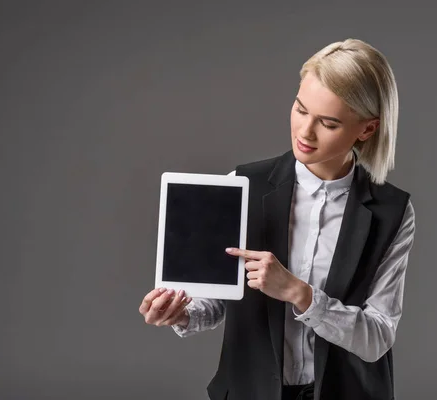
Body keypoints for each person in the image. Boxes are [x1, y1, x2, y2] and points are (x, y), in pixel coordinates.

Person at [139, 38, 416, 400]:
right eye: (300, 109)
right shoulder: (242, 184)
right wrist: (180, 313)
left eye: (328, 123)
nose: (305, 132)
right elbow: (216, 301)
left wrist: (299, 294)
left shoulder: (392, 212)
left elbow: (377, 337)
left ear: (366, 130)